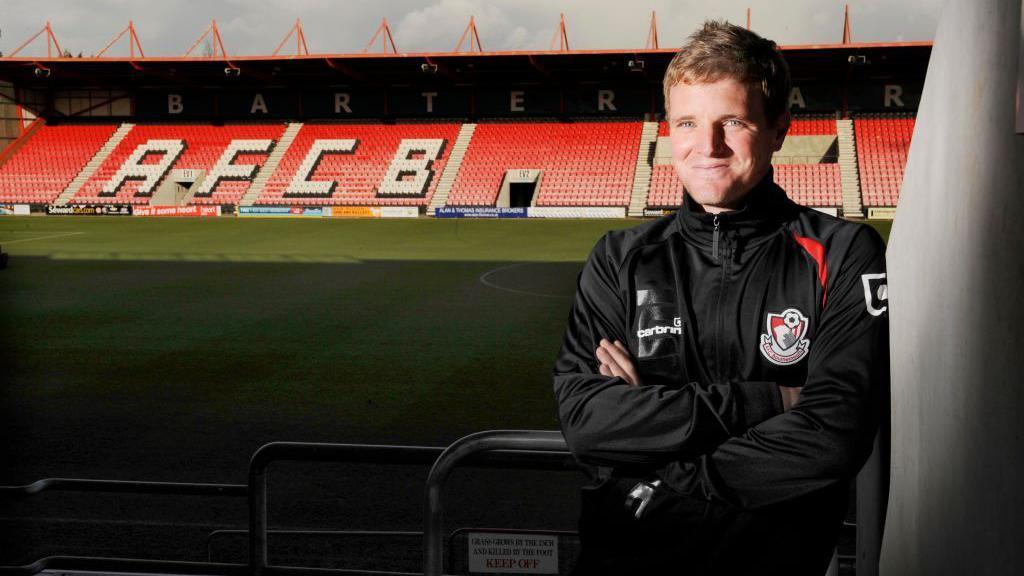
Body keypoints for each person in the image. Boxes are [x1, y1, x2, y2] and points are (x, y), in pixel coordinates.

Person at [553, 20, 889, 575]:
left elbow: (836, 432)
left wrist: (666, 476)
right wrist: (772, 402)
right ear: (668, 129)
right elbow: (588, 419)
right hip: (623, 562)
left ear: (779, 127)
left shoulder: (844, 251)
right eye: (688, 122)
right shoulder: (621, 257)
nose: (707, 146)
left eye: (732, 121)